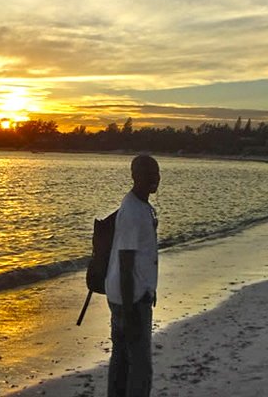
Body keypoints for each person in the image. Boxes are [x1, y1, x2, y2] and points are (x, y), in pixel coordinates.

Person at [105, 154, 161, 397]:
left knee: (121, 360)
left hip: (131, 294)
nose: (155, 178)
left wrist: (150, 288)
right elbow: (126, 262)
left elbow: (143, 256)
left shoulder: (142, 207)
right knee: (140, 368)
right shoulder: (133, 212)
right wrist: (129, 311)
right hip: (130, 299)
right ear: (135, 177)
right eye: (148, 174)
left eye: (157, 173)